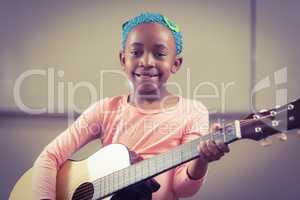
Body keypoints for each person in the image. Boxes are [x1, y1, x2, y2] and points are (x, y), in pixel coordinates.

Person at [33, 12, 230, 200]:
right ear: (123, 59)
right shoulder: (105, 110)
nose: (145, 62)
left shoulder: (192, 113)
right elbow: (49, 156)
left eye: (159, 54)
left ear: (175, 63)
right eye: (136, 52)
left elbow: (182, 188)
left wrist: (202, 160)